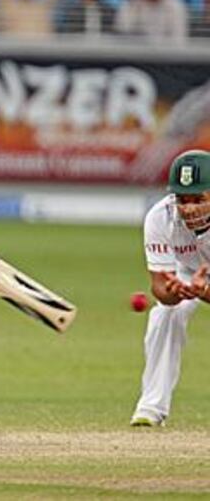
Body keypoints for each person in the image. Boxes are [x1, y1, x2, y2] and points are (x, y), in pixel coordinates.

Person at [130, 150, 210, 427]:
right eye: (182, 200)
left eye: (199, 199)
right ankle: (151, 408)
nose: (188, 208)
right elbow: (160, 288)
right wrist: (174, 292)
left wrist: (204, 292)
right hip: (187, 270)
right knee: (165, 314)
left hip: (203, 279)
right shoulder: (159, 217)